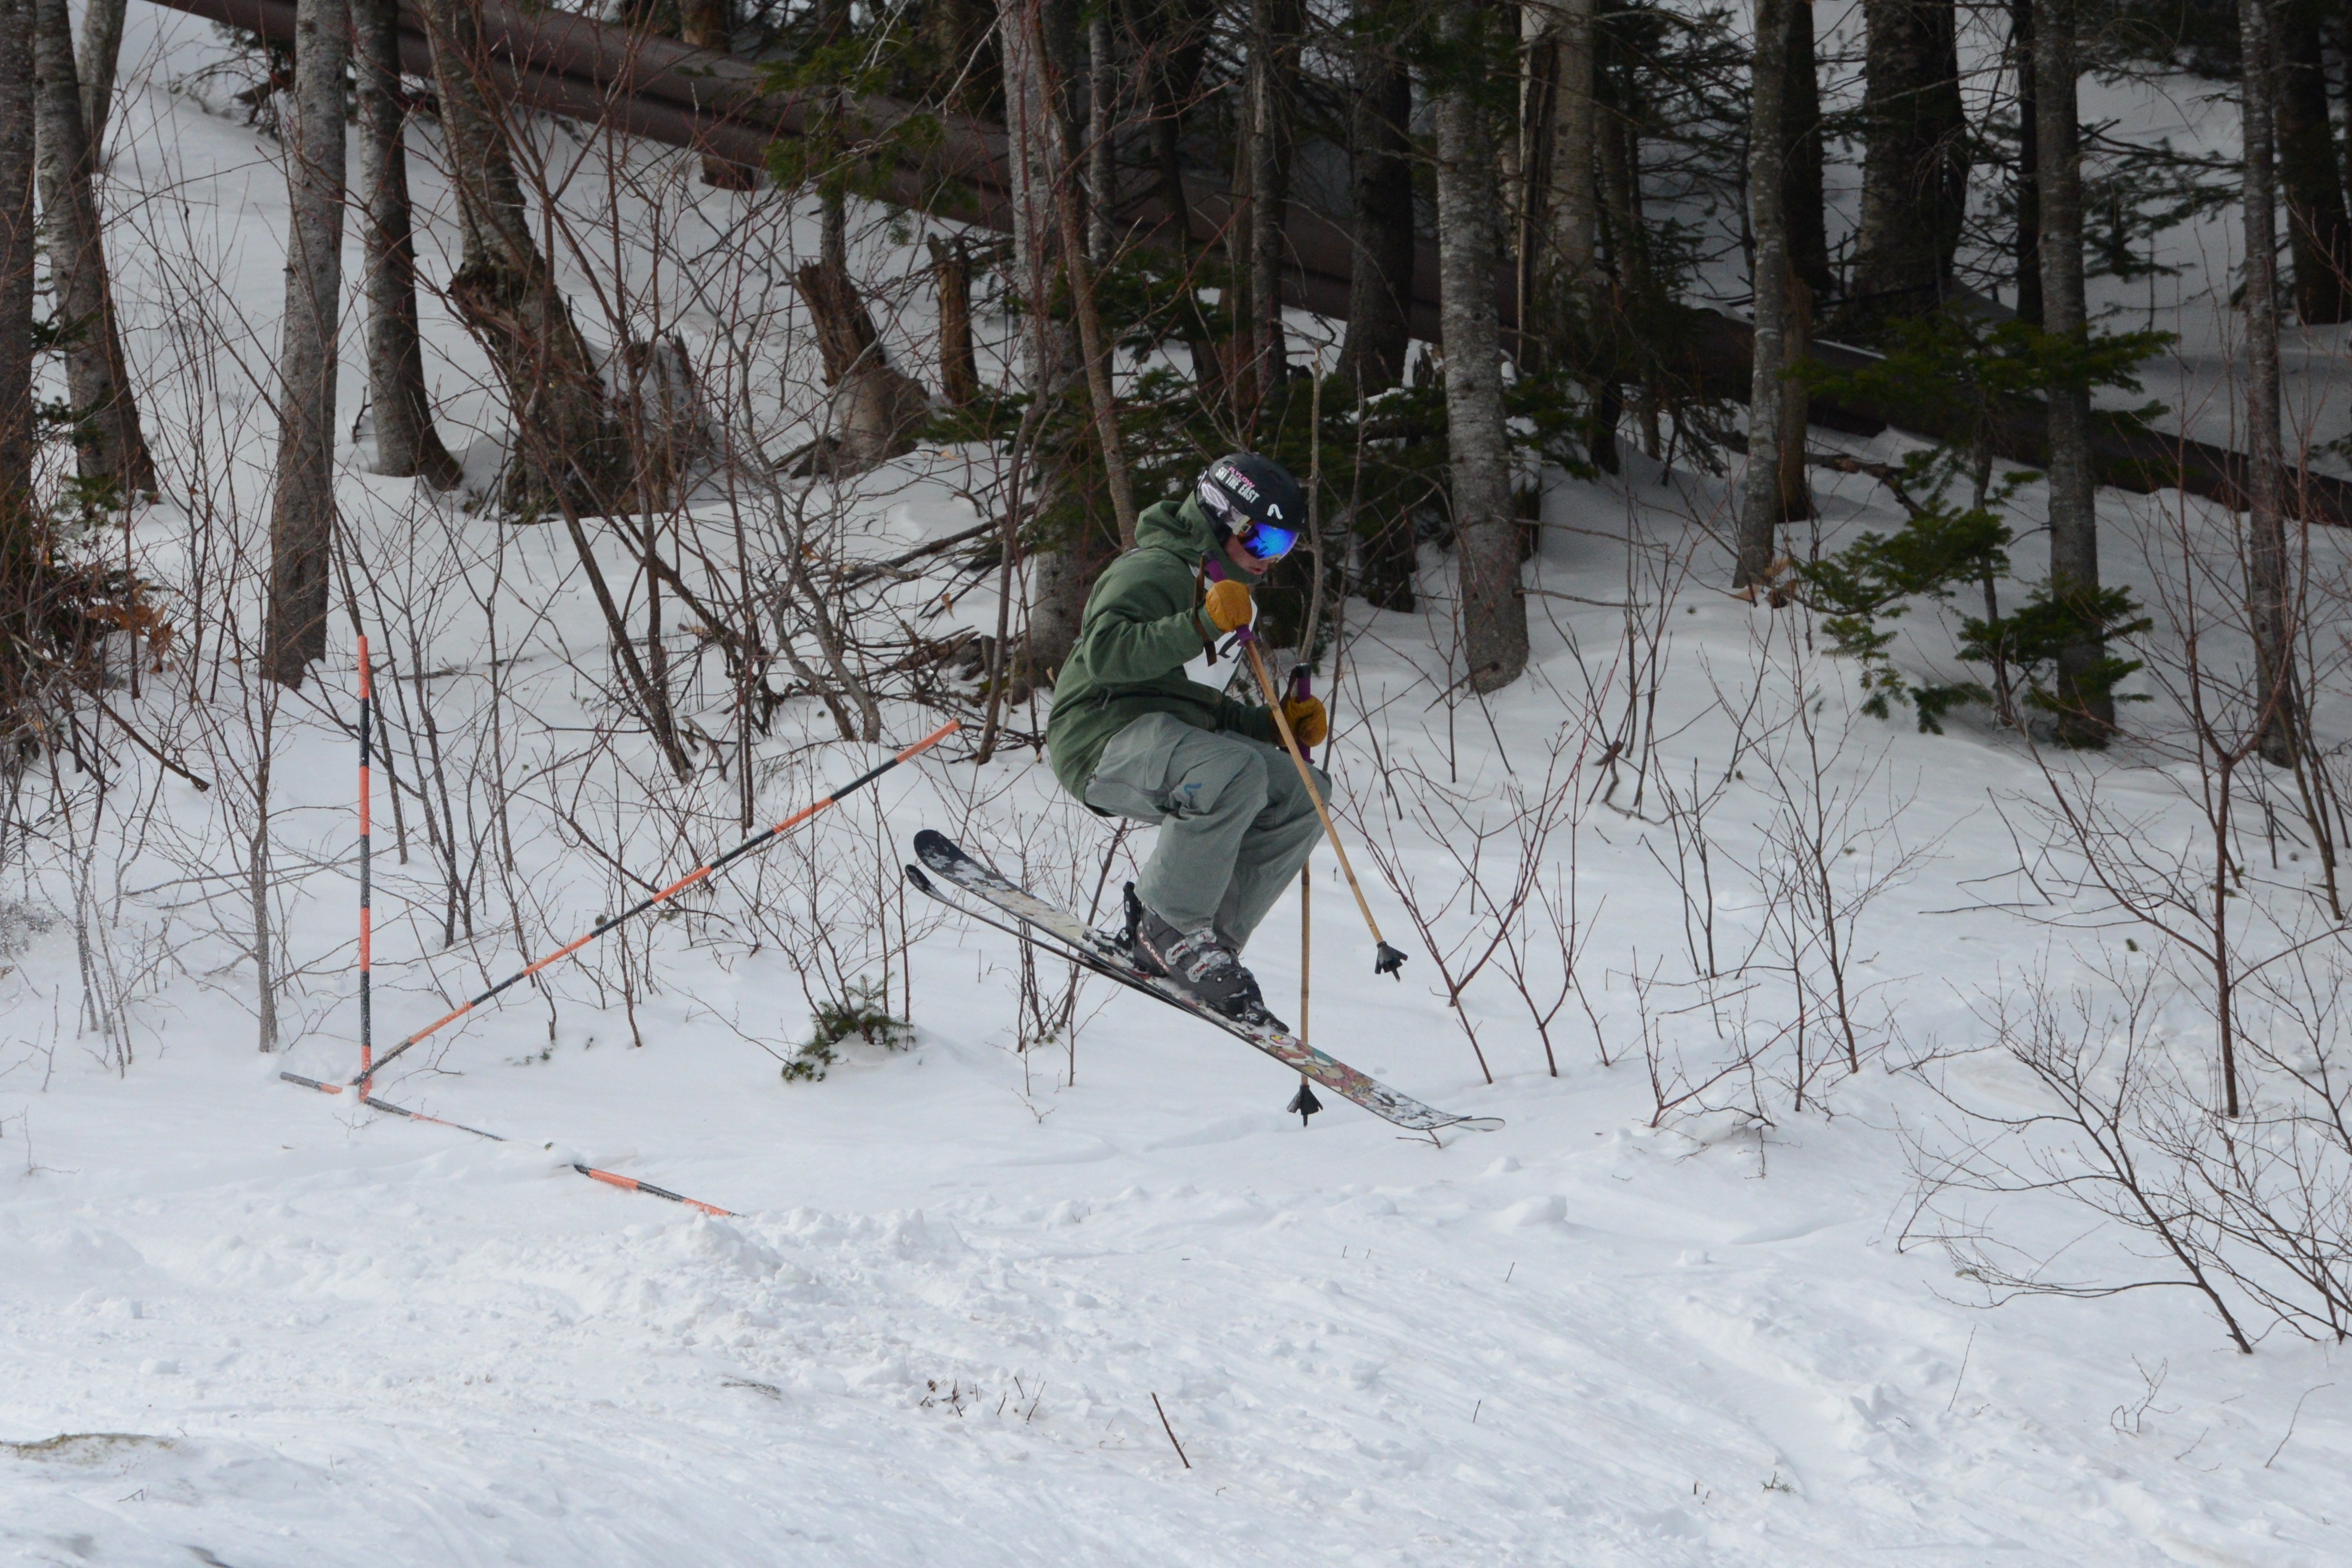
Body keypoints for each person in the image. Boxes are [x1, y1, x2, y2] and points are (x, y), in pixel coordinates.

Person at [1045, 453, 1330, 1024]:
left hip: (1166, 739)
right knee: (1233, 772)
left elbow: (1196, 702)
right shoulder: (1153, 569)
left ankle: (1204, 944)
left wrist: (1273, 727)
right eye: (1266, 542)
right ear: (1225, 519)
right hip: (1099, 736)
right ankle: (1167, 924)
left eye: (1284, 548)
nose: (1271, 562)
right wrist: (1199, 625)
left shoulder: (1223, 589)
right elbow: (1103, 655)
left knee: (1303, 791)